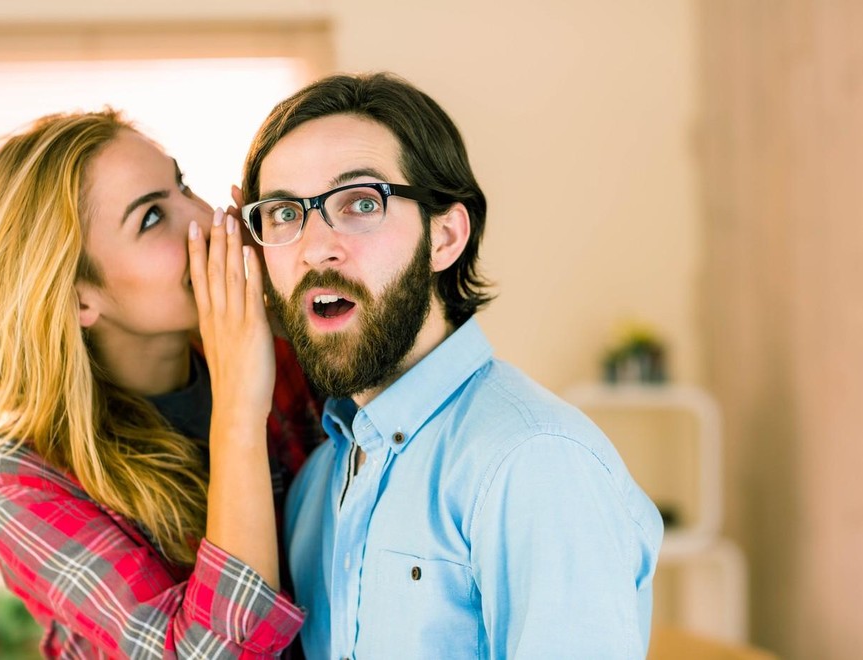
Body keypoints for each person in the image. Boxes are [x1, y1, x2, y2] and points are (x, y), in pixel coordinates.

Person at [238, 72, 664, 659]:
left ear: (445, 236)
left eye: (361, 203)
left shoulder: (534, 461)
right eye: (284, 214)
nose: (315, 246)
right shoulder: (317, 485)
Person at [0, 109, 323, 658]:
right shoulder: (14, 476)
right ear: (78, 296)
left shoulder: (282, 350)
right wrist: (237, 406)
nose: (209, 221)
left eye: (181, 185)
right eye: (152, 218)